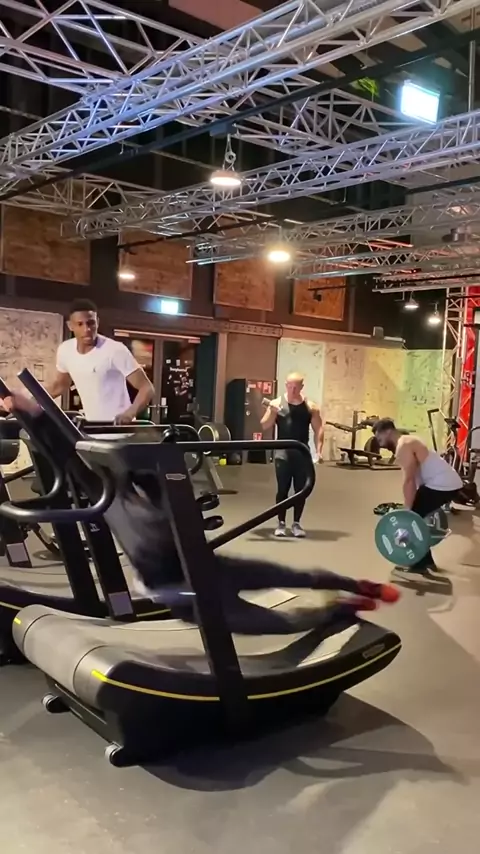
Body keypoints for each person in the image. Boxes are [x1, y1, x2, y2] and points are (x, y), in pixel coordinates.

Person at [1, 391, 400, 634]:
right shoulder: (109, 492)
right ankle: (339, 609)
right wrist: (27, 410)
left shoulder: (165, 491)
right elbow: (68, 454)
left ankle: (360, 586)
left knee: (295, 575)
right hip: (181, 593)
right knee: (281, 624)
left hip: (210, 567)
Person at [373, 417, 463, 574]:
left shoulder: (403, 445)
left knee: (414, 518)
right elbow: (414, 481)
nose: (378, 442)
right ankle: (426, 561)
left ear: (388, 431)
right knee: (417, 516)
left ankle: (420, 563)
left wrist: (408, 511)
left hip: (442, 485)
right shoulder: (408, 441)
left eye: (379, 437)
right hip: (445, 483)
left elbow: (408, 480)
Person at [45, 299, 154, 424]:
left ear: (97, 322)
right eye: (80, 324)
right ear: (70, 326)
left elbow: (147, 388)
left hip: (119, 428)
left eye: (91, 323)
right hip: (92, 427)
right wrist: (32, 401)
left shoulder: (115, 350)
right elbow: (60, 386)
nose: (87, 329)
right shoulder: (65, 350)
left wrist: (129, 414)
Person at [261, 372, 324, 538]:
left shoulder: (311, 407)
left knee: (300, 490)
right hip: (282, 453)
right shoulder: (276, 403)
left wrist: (319, 451)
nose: (292, 390)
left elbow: (319, 429)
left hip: (302, 453)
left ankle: (296, 523)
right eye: (289, 386)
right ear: (286, 385)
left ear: (302, 387)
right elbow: (264, 425)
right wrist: (272, 412)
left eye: (296, 387)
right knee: (282, 489)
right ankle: (281, 523)